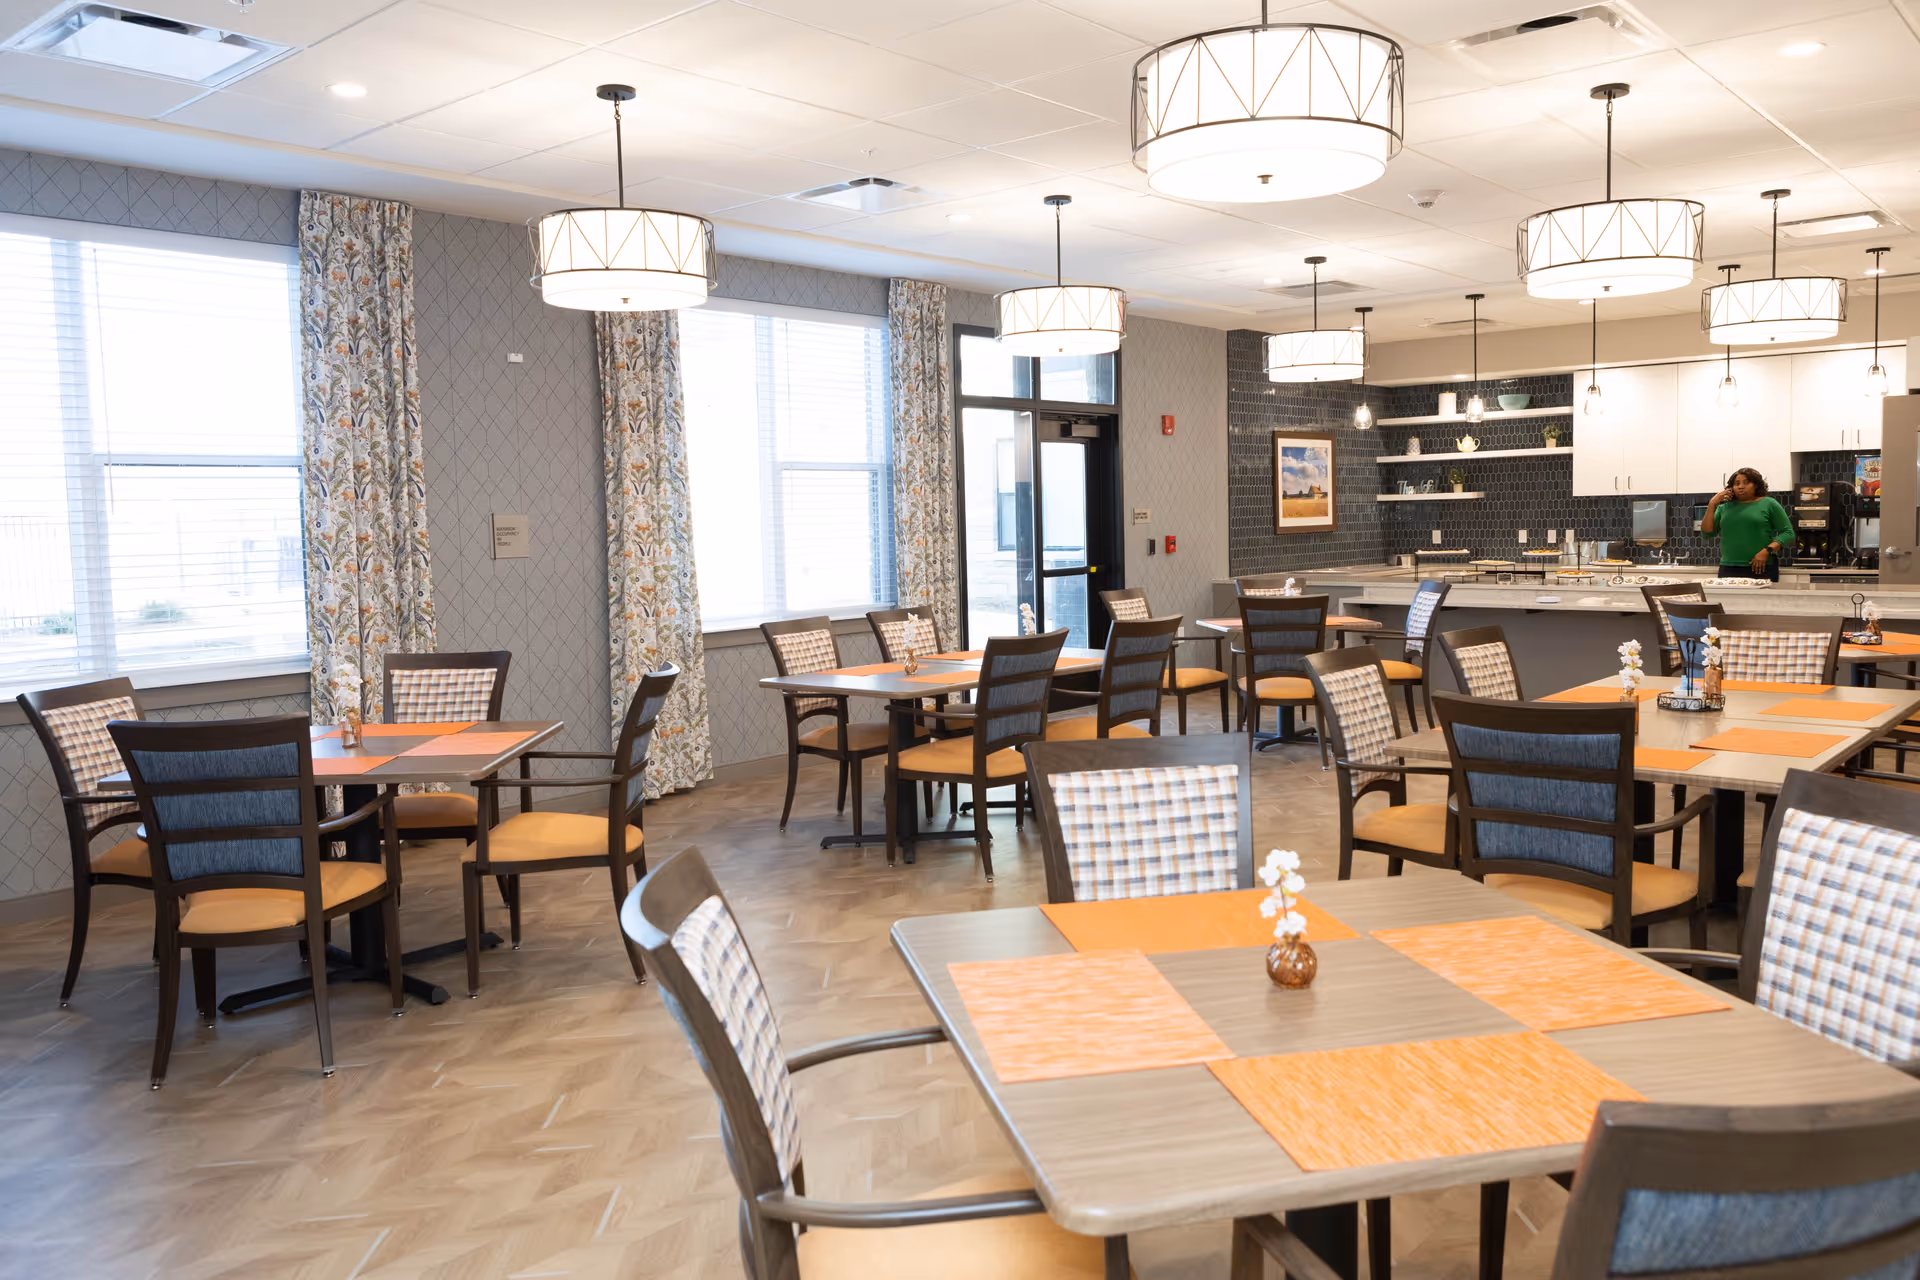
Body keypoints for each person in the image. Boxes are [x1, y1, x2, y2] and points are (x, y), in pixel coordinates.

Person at [1702, 467, 1794, 581]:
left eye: (1746, 482)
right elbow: (1707, 533)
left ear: (1756, 485)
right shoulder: (1723, 507)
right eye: (1737, 483)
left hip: (1761, 566)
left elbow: (1788, 533)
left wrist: (1767, 551)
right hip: (1729, 567)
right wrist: (1712, 504)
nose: (1741, 486)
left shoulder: (1769, 504)